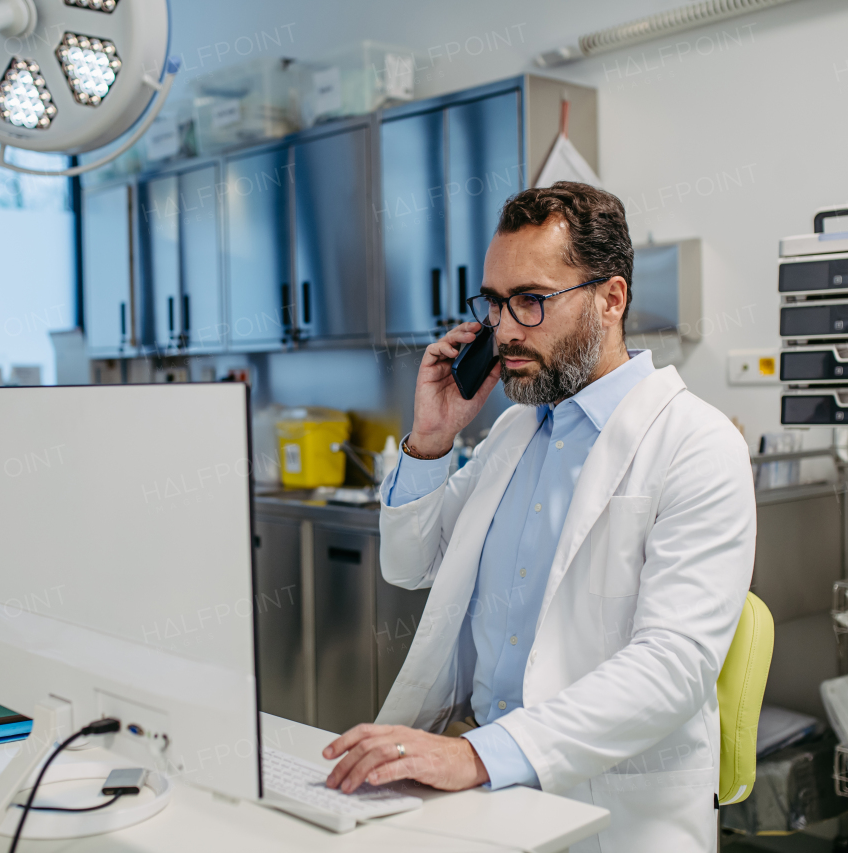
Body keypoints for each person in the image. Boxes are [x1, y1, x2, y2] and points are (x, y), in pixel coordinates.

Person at [322, 182, 757, 851]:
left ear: (610, 300)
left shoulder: (697, 445)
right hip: (485, 794)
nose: (502, 329)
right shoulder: (514, 434)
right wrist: (431, 440)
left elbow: (671, 666)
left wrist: (478, 755)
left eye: (530, 300)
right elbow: (410, 566)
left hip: (610, 813)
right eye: (494, 302)